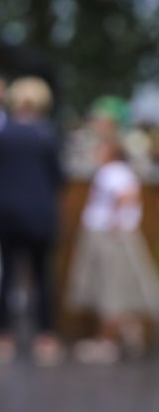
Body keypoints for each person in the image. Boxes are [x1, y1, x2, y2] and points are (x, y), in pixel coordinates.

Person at [0, 76, 64, 366]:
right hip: (40, 214)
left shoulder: (2, 133)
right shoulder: (47, 134)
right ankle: (45, 336)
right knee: (42, 276)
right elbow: (58, 177)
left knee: (6, 274)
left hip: (6, 213)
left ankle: (3, 336)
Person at [68, 135, 159, 364]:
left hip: (109, 237)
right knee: (118, 287)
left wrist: (114, 219)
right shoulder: (120, 171)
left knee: (110, 289)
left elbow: (127, 195)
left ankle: (107, 341)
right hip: (114, 235)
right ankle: (130, 331)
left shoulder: (112, 172)